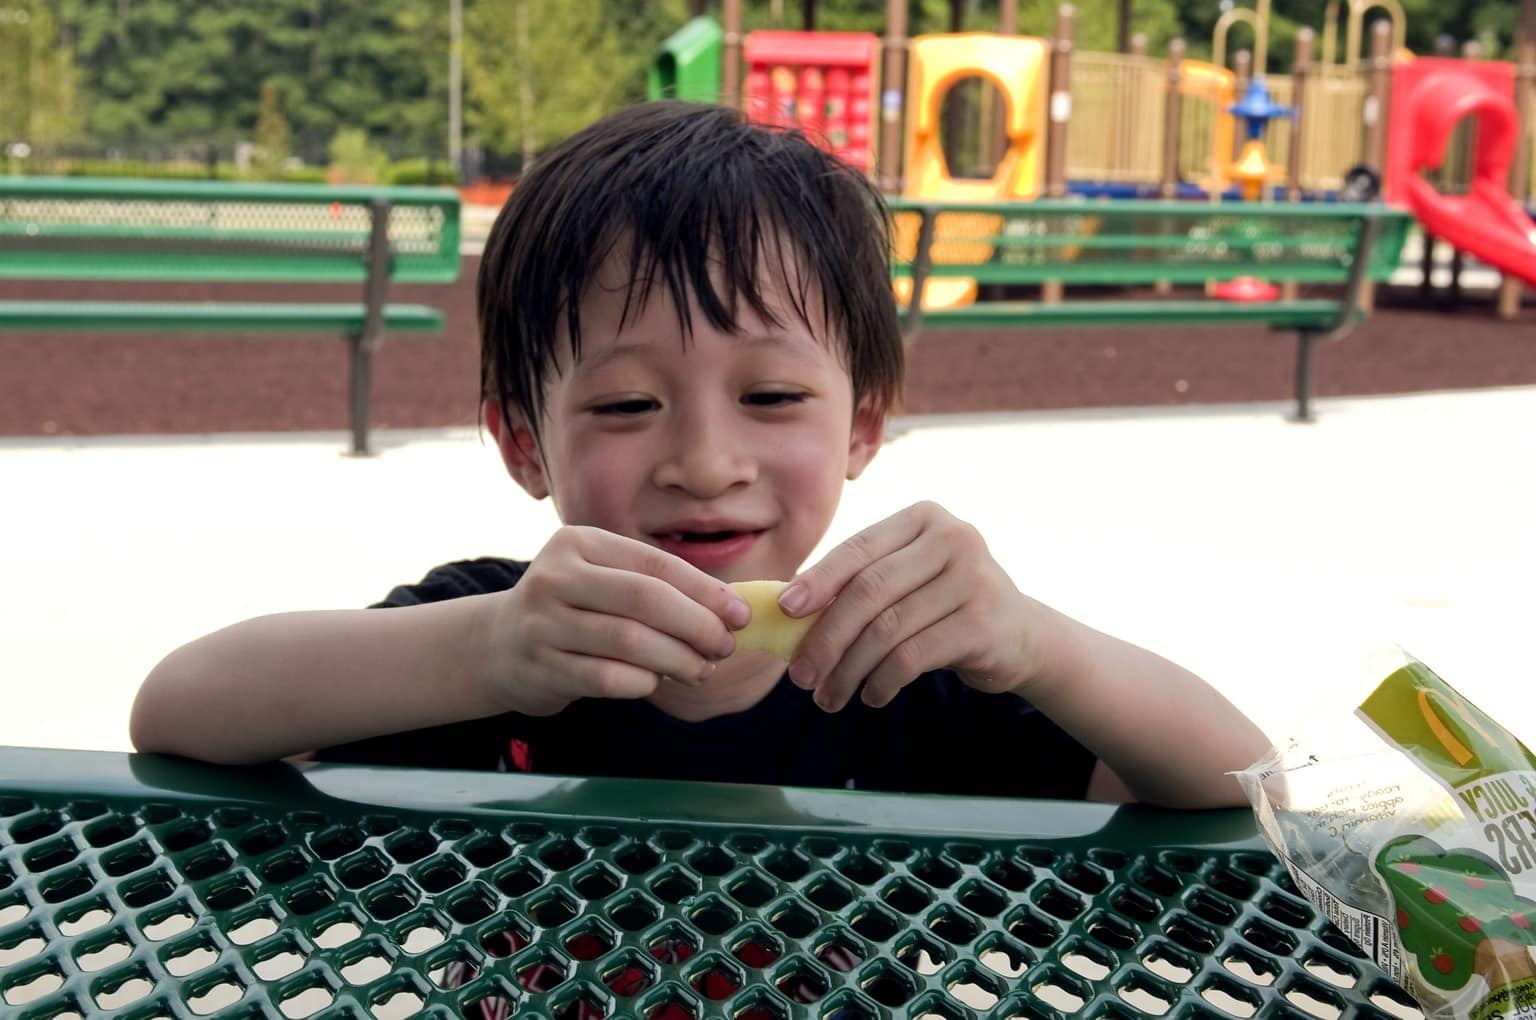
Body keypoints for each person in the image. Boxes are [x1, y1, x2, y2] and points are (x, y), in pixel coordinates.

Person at [130, 101, 1268, 808]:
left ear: (864, 424)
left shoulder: (903, 670)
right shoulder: (499, 637)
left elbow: (1237, 783)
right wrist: (481, 650)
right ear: (525, 441)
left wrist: (1038, 644)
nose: (705, 460)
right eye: (625, 406)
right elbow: (181, 708)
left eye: (771, 394)